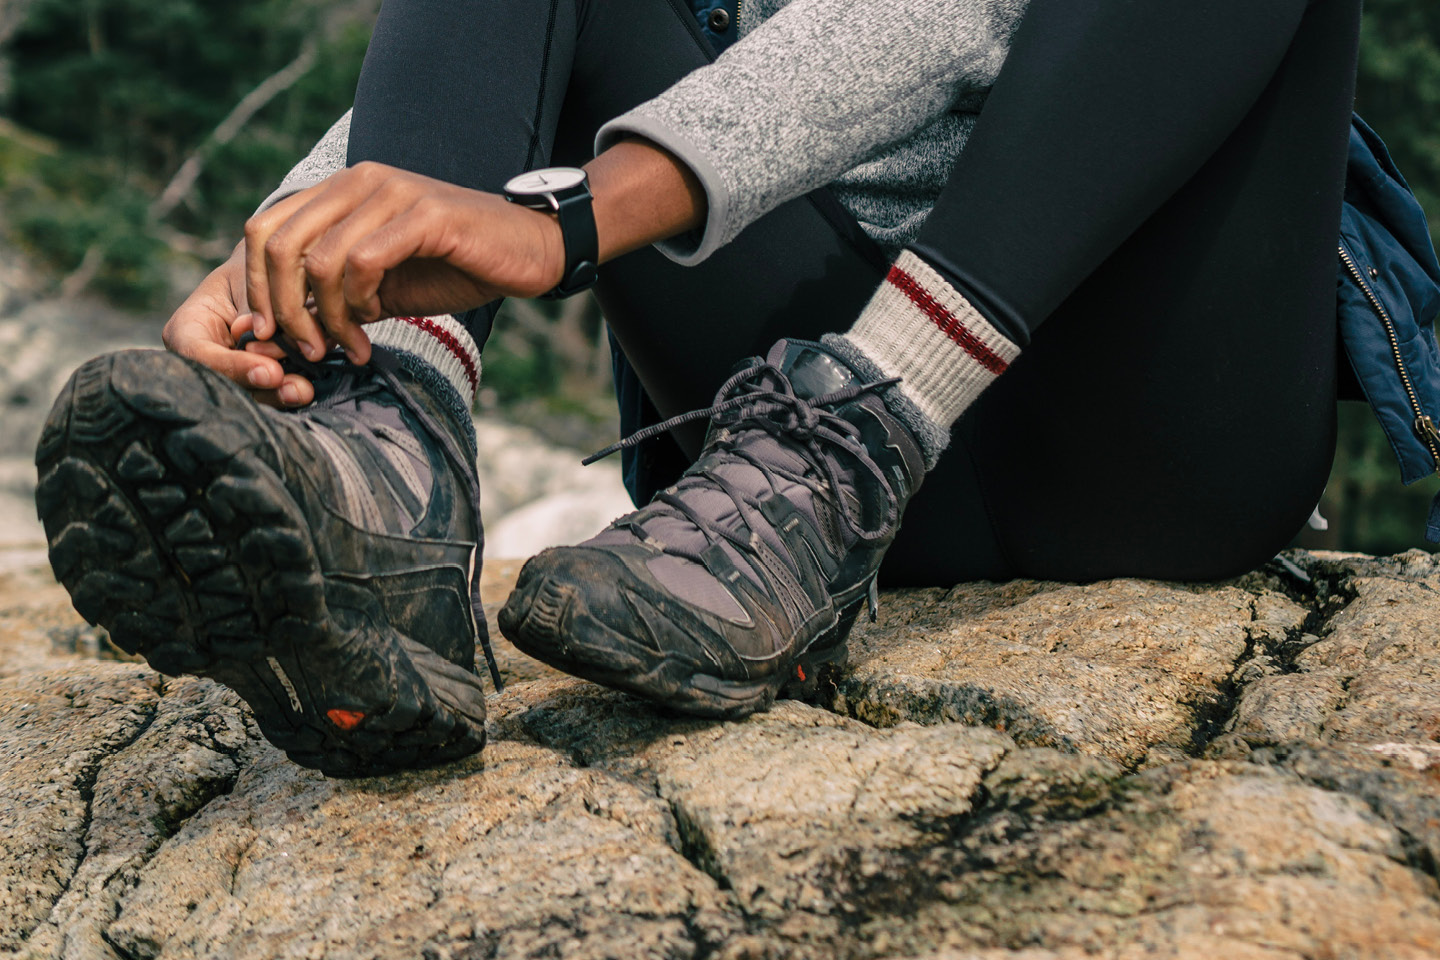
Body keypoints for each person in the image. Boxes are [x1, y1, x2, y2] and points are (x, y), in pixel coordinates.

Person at [36, 0, 1362, 775]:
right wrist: (305, 259)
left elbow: (954, 16)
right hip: (768, 506)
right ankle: (387, 480)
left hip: (1139, 440)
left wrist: (570, 221)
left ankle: (869, 417)